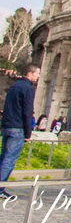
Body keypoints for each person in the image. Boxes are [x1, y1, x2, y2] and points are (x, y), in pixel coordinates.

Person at [0, 63, 39, 200]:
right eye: (37, 74)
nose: (38, 76)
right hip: (18, 127)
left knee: (3, 157)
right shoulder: (28, 88)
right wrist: (28, 132)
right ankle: (0, 187)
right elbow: (27, 111)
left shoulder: (14, 86)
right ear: (30, 74)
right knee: (9, 159)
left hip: (7, 125)